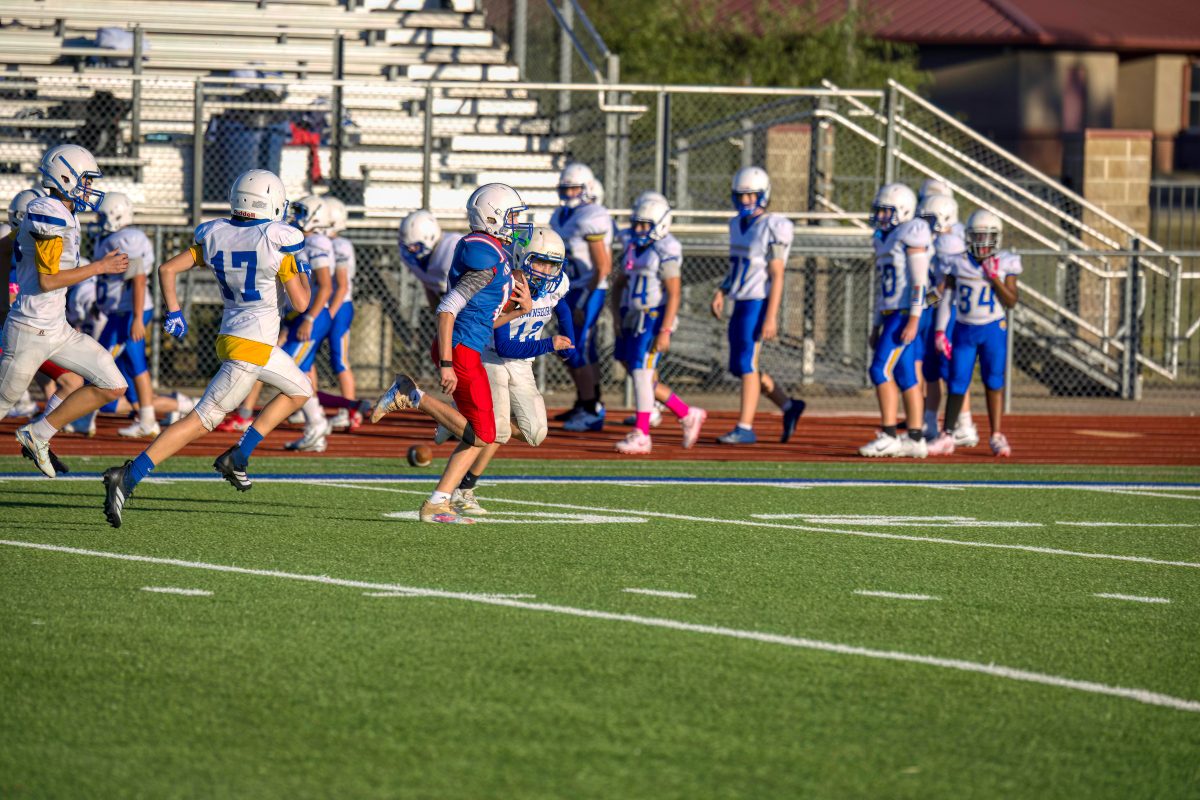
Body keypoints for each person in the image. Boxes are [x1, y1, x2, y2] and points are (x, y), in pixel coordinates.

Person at [102, 169, 314, 528]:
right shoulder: (277, 242)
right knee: (202, 420)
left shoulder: (217, 233)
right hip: (251, 347)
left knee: (300, 389)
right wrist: (300, 267)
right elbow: (303, 302)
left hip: (234, 336)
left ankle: (239, 456)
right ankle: (129, 476)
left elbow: (167, 270)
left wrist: (174, 311)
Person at [370, 183, 546, 524]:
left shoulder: (496, 254)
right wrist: (447, 364)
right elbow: (447, 309)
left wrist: (519, 312)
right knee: (482, 434)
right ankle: (413, 397)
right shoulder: (485, 257)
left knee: (482, 434)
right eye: (511, 217)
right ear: (493, 217)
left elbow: (486, 319)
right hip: (460, 350)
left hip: (466, 346)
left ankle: (439, 501)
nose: (517, 224)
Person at [0, 143, 130, 477]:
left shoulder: (63, 212)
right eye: (86, 179)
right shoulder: (49, 211)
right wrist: (100, 267)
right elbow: (48, 281)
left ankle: (38, 434)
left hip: (56, 328)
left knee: (113, 383)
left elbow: (5, 249)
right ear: (65, 177)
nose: (89, 187)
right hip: (30, 329)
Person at [447, 227, 575, 516]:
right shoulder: (508, 284)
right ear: (521, 257)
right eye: (539, 262)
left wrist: (570, 339)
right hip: (491, 357)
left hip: (522, 363)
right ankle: (464, 488)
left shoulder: (557, 284)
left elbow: (563, 307)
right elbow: (504, 346)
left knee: (535, 433)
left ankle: (463, 417)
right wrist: (550, 344)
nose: (546, 271)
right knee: (499, 430)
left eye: (552, 265)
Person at [711, 166, 805, 445]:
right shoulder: (736, 225)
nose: (745, 200)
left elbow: (777, 275)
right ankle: (788, 405)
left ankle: (745, 426)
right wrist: (722, 290)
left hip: (757, 302)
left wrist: (771, 316)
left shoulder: (772, 226)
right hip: (740, 300)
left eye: (751, 195)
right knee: (739, 366)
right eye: (741, 195)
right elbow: (737, 267)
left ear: (763, 195)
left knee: (746, 363)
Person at [610, 192, 706, 454]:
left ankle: (642, 434)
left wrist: (665, 329)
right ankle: (686, 413)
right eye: (637, 224)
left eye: (645, 225)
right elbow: (619, 283)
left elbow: (674, 292)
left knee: (642, 372)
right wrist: (617, 316)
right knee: (636, 371)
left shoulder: (666, 249)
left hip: (653, 317)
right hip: (633, 315)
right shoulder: (634, 246)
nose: (639, 229)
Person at [927, 210, 1021, 457]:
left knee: (994, 381)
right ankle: (947, 435)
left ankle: (996, 435)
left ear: (997, 238)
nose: (982, 242)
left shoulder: (1005, 262)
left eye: (987, 237)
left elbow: (1011, 301)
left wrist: (994, 278)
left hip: (993, 328)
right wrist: (937, 327)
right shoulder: (958, 262)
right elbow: (945, 295)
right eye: (977, 236)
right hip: (964, 329)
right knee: (957, 380)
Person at [859, 182, 931, 458]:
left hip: (904, 313)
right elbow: (882, 290)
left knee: (879, 371)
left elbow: (920, 282)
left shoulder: (911, 232)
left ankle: (889, 434)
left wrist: (914, 319)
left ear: (903, 211)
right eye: (879, 211)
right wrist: (876, 324)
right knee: (906, 375)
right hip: (892, 312)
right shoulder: (884, 239)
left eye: (886, 211)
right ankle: (915, 438)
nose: (880, 216)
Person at [550, 162, 614, 432]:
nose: (569, 193)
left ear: (587, 188)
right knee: (572, 349)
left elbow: (603, 266)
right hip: (567, 288)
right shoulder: (559, 215)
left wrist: (584, 300)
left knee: (576, 348)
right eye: (565, 188)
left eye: (574, 188)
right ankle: (586, 401)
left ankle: (591, 409)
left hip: (588, 289)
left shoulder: (592, 215)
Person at [279, 193, 335, 452]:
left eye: (301, 212)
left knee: (288, 368)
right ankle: (317, 429)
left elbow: (325, 286)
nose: (295, 216)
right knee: (302, 371)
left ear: (315, 217)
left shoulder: (317, 242)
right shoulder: (304, 241)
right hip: (303, 315)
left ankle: (316, 422)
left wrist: (309, 318)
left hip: (314, 314)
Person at [324, 197, 361, 430]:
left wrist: (328, 314)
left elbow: (342, 285)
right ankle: (307, 408)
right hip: (327, 306)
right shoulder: (322, 242)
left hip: (338, 307)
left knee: (340, 359)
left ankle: (351, 410)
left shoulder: (340, 245)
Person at [399, 209, 461, 311]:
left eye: (415, 247)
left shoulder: (453, 249)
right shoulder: (411, 259)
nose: (410, 251)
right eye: (407, 247)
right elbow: (429, 286)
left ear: (430, 237)